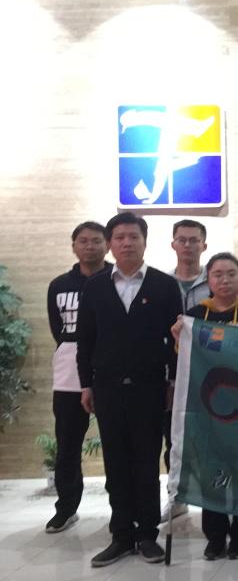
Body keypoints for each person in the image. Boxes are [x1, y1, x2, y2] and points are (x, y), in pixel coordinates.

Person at [76, 212, 181, 567]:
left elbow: (175, 342)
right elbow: (85, 341)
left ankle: (147, 534)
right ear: (110, 244)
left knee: (147, 461)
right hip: (106, 388)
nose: (126, 243)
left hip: (149, 388)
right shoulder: (95, 287)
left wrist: (172, 382)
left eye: (133, 236)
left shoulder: (164, 286)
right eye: (119, 237)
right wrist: (86, 384)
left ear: (144, 241)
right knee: (116, 462)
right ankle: (121, 534)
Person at [171, 253, 238, 560]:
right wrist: (178, 337)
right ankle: (215, 536)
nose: (224, 280)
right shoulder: (196, 314)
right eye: (217, 274)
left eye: (231, 274)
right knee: (210, 471)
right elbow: (185, 358)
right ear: (208, 280)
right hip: (207, 408)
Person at [44, 221, 110, 533]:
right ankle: (66, 508)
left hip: (111, 365)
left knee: (118, 443)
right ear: (74, 246)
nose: (90, 246)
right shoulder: (59, 285)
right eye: (83, 241)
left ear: (106, 245)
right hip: (69, 371)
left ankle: (124, 509)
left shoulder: (117, 279)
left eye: (96, 241)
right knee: (68, 443)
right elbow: (57, 329)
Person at [162, 218, 211, 522]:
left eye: (194, 240)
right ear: (173, 244)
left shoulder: (216, 279)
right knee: (174, 437)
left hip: (209, 373)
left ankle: (214, 498)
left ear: (204, 245)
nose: (188, 245)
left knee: (210, 437)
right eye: (182, 239)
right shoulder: (161, 283)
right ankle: (177, 497)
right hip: (172, 372)